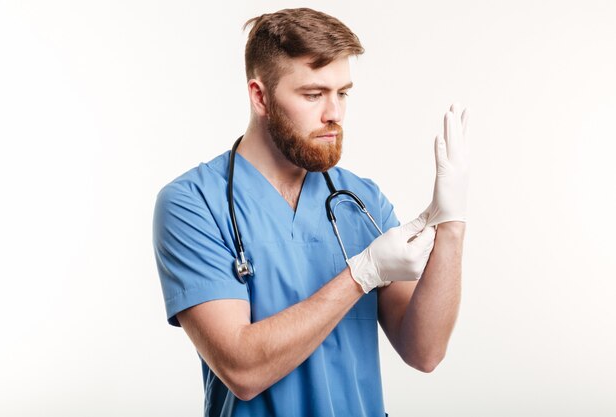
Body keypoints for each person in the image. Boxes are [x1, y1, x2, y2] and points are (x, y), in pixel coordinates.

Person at [153, 7, 468, 417]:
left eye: (343, 93)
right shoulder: (193, 203)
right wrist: (362, 274)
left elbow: (425, 351)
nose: (334, 113)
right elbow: (242, 369)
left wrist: (452, 224)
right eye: (313, 94)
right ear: (260, 96)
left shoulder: (361, 200)